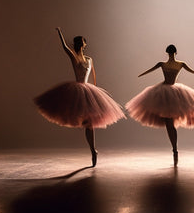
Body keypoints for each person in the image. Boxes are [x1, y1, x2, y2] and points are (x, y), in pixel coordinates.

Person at [34, 27, 126, 167]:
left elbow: (94, 75)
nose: (85, 43)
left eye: (85, 42)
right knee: (86, 124)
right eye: (84, 41)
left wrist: (96, 93)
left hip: (89, 91)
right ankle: (93, 150)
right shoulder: (74, 56)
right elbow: (65, 47)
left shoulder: (89, 59)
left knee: (90, 125)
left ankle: (93, 150)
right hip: (77, 89)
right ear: (80, 44)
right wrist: (60, 33)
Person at [125, 44, 194, 166]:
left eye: (172, 53)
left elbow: (191, 70)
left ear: (173, 53)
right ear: (170, 53)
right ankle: (175, 148)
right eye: (170, 53)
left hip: (173, 92)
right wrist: (142, 74)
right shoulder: (162, 64)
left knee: (170, 122)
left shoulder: (180, 64)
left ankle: (175, 149)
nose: (171, 55)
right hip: (164, 91)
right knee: (169, 123)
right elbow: (151, 69)